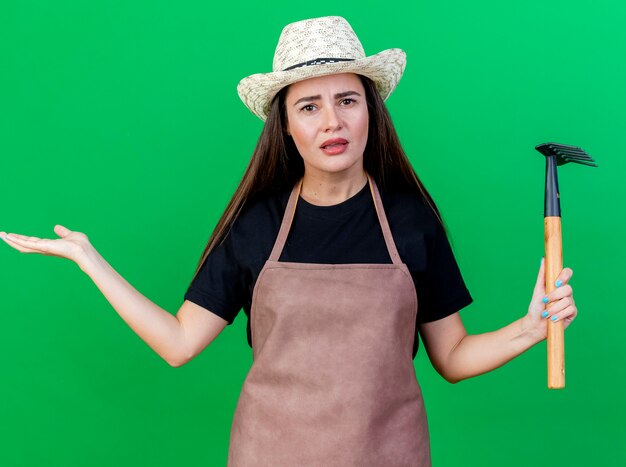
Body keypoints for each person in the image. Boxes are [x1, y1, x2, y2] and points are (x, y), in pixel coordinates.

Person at [0, 16, 576, 467]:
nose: (332, 121)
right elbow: (178, 342)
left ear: (370, 112)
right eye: (309, 105)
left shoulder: (410, 221)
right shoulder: (255, 226)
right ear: (286, 124)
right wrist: (88, 258)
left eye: (347, 100)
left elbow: (451, 357)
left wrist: (532, 327)